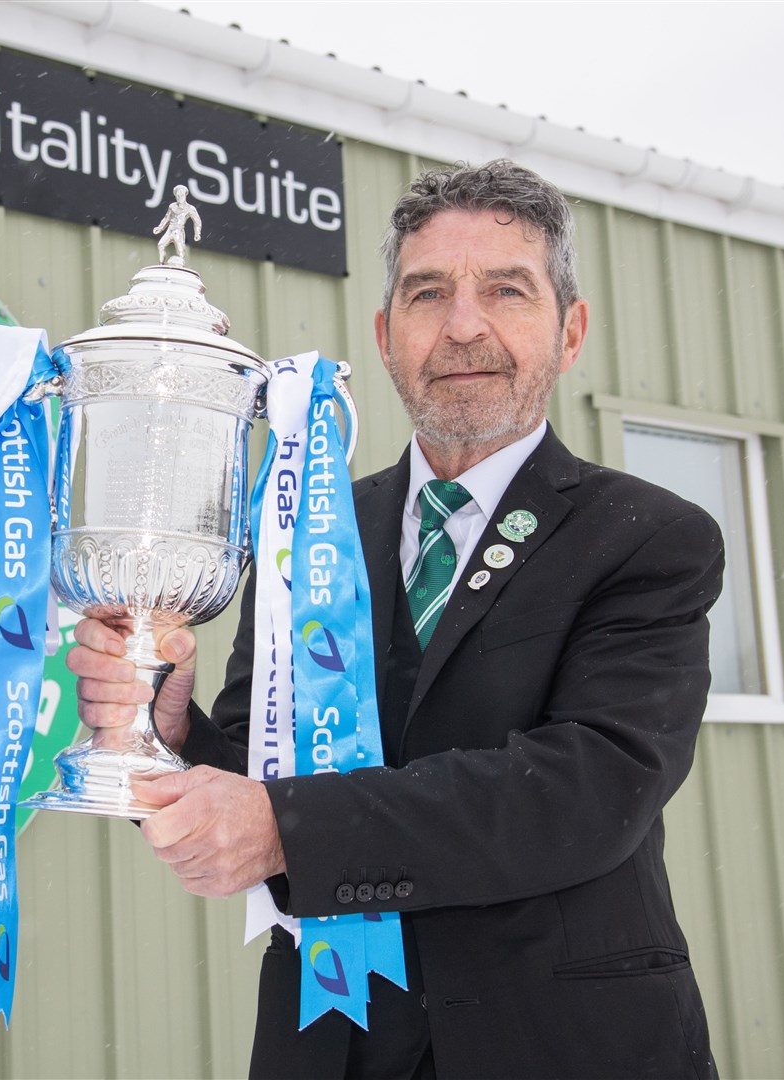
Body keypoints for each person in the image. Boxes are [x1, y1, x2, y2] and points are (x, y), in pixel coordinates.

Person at [69, 160, 722, 1079]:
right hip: (335, 1045)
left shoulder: (648, 538)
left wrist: (287, 826)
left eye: (506, 289)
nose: (464, 326)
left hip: (563, 1041)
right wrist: (167, 723)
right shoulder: (305, 524)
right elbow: (261, 780)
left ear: (569, 331)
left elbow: (588, 791)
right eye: (428, 294)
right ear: (385, 335)